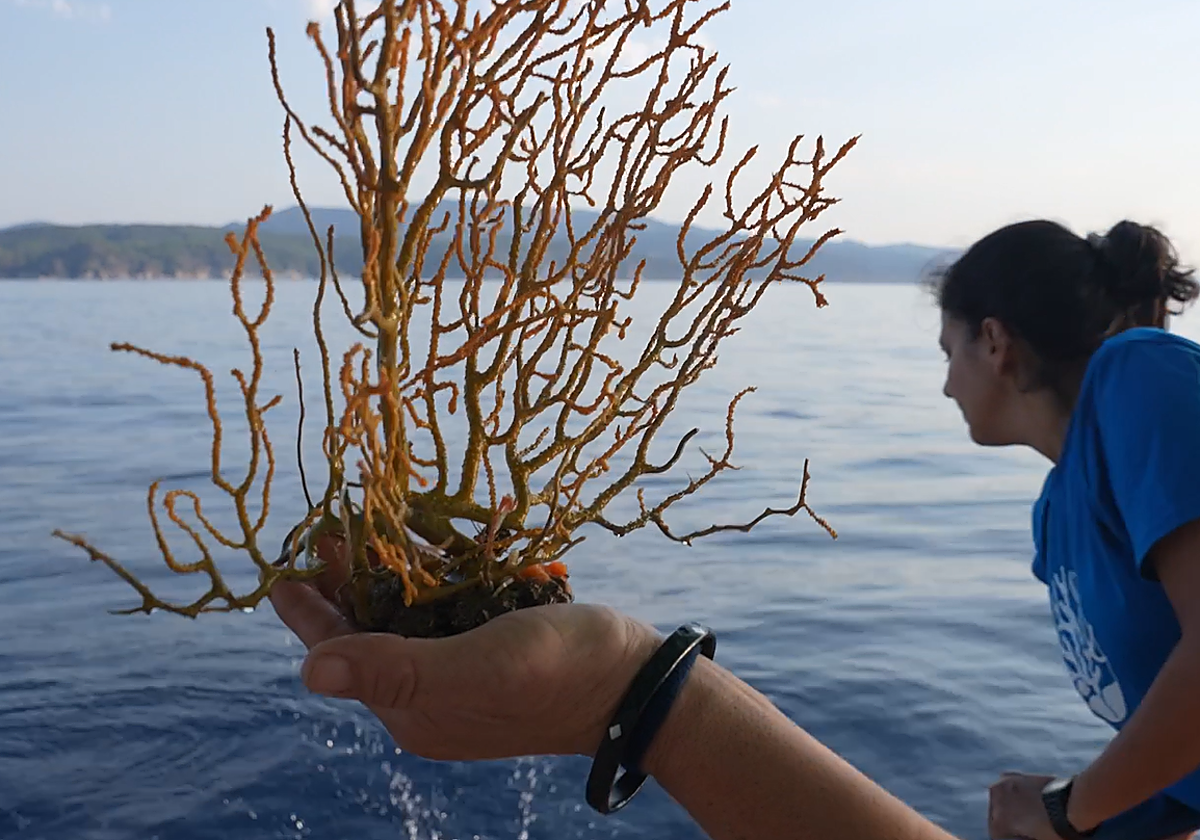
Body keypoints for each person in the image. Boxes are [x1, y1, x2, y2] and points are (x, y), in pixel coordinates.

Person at [269, 217, 1200, 840]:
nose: (946, 382)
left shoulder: (1138, 376)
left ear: (994, 342)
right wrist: (1090, 816)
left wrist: (1074, 808)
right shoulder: (1059, 517)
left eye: (948, 350)